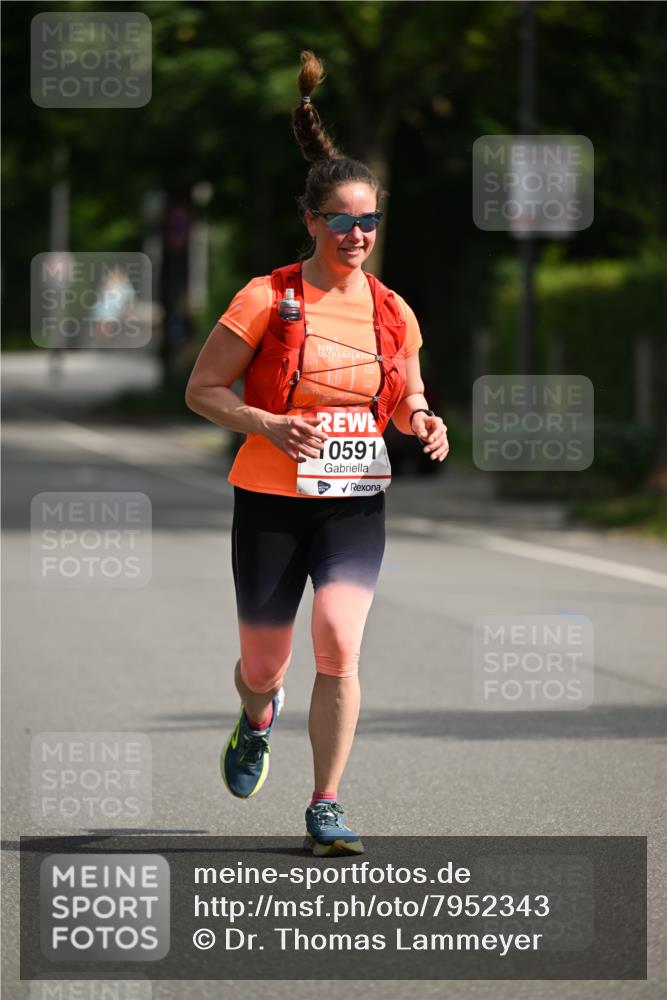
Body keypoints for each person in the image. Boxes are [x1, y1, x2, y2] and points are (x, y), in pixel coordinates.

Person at [185, 50, 449, 857]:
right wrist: (267, 424)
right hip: (268, 498)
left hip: (353, 501)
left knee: (339, 639)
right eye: (341, 221)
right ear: (312, 222)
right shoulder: (266, 298)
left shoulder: (390, 309)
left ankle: (326, 802)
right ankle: (256, 714)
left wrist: (424, 420)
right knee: (264, 664)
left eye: (368, 221)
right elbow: (203, 390)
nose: (357, 235)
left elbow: (405, 393)